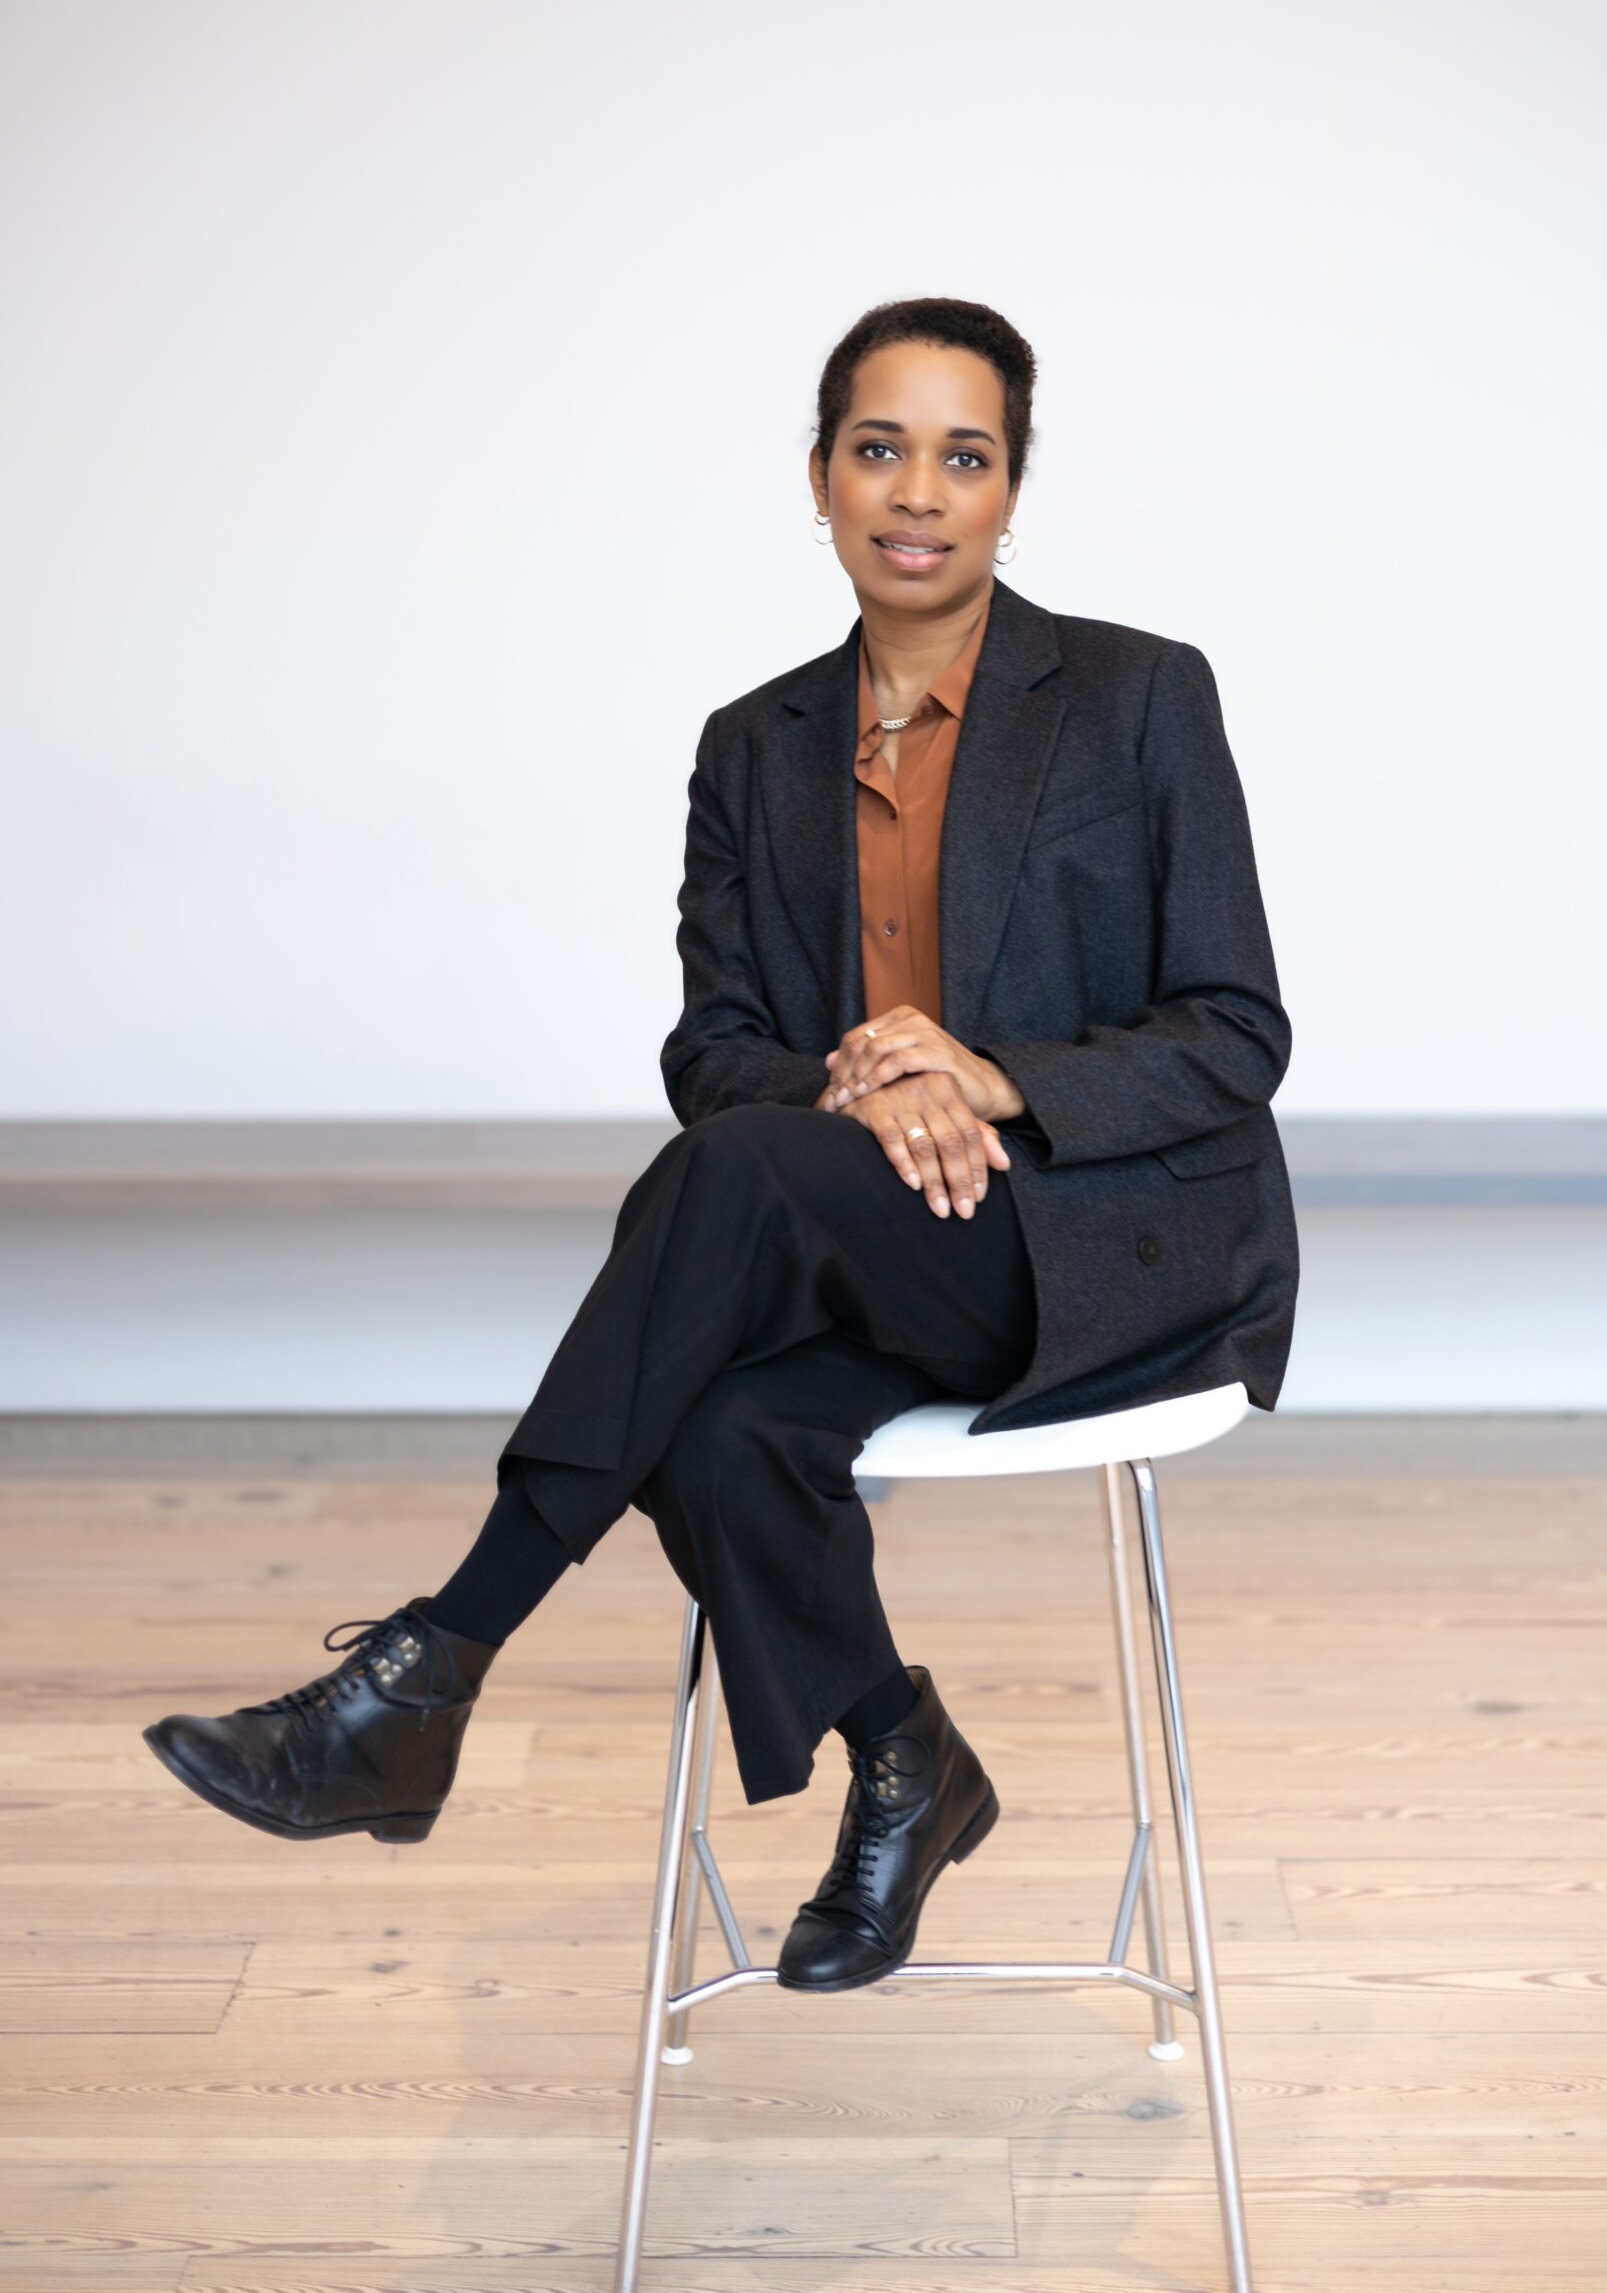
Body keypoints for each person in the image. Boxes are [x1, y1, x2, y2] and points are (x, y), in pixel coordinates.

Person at [141, 295, 1299, 1994]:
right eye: (878, 449)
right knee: (711, 1410)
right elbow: (716, 1054)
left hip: (1091, 1243)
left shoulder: (1136, 698)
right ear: (820, 477)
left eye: (962, 457)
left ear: (1010, 491)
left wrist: (980, 1077)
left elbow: (1236, 1030)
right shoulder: (753, 746)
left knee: (722, 1202)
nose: (917, 491)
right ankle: (905, 1760)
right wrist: (860, 1086)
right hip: (862, 1230)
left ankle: (430, 1666)